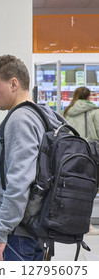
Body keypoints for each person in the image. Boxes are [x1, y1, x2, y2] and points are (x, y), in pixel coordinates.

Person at [0, 55, 62, 261]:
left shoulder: (20, 120)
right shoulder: (44, 114)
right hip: (34, 230)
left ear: (14, 83)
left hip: (16, 236)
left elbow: (19, 183)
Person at [63, 86, 99, 235]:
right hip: (91, 155)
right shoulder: (95, 111)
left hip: (71, 154)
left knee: (73, 189)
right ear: (89, 97)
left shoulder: (67, 112)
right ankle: (87, 225)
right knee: (90, 189)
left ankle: (70, 224)